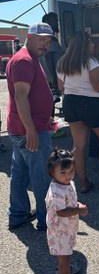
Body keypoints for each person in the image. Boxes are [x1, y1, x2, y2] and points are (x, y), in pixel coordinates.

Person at [56, 31, 99, 193]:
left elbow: (61, 88)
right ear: (85, 44)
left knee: (78, 146)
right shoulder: (91, 62)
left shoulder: (62, 63)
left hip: (71, 103)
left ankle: (83, 183)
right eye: (91, 42)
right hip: (92, 105)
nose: (93, 45)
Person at [6, 22, 55, 231]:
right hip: (29, 130)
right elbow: (21, 96)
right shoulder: (25, 60)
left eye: (48, 39)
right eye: (41, 38)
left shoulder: (30, 58)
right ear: (29, 36)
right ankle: (46, 222)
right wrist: (31, 130)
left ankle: (18, 214)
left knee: (20, 173)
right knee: (41, 175)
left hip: (22, 128)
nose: (45, 43)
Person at [46, 149, 87, 274]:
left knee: (63, 254)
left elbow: (69, 201)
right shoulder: (56, 191)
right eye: (63, 172)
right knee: (65, 257)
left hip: (65, 228)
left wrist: (77, 205)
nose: (68, 175)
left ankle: (62, 271)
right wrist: (79, 210)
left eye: (71, 171)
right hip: (60, 230)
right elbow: (61, 211)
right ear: (52, 172)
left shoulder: (67, 183)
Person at [42, 12, 64, 102]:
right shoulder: (48, 39)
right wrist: (54, 85)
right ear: (47, 22)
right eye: (55, 21)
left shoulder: (51, 38)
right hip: (51, 84)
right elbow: (49, 62)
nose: (57, 23)